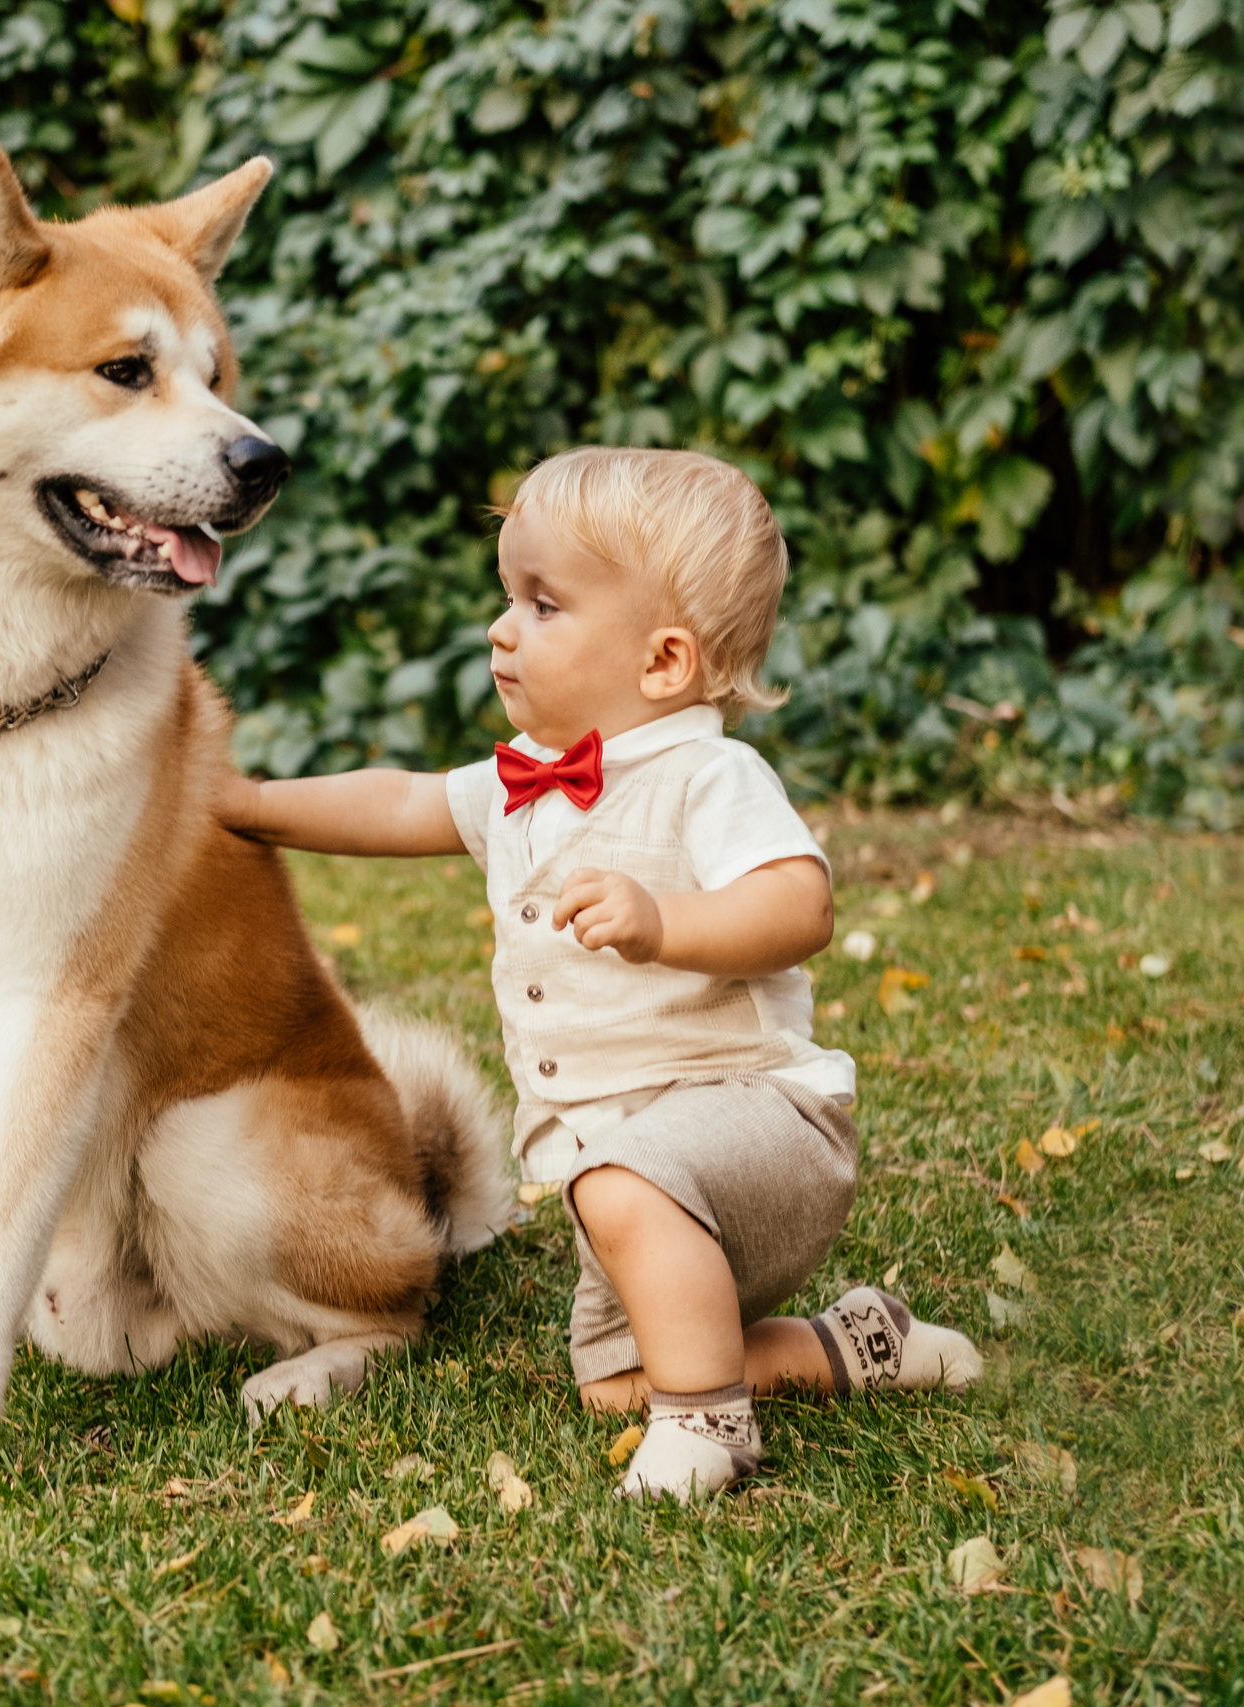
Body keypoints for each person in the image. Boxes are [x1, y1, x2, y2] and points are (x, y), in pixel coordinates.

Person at [219, 446, 980, 1500]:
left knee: (634, 1218)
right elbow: (399, 802)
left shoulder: (707, 775)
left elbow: (798, 905)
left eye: (542, 604)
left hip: (755, 1130)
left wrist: (664, 921)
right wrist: (251, 805)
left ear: (664, 662)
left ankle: (709, 1430)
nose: (501, 629)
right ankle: (844, 1347)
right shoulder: (518, 788)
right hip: (630, 1185)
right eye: (506, 598)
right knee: (617, 1382)